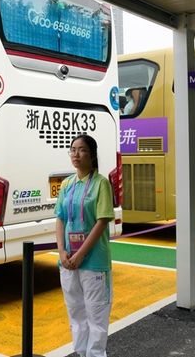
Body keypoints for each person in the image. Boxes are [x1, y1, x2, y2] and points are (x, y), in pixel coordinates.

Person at [55, 134, 114, 357]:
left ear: (92, 155)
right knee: (76, 312)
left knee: (96, 315)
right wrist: (62, 251)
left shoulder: (101, 184)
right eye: (72, 150)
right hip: (68, 260)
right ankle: (80, 352)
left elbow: (101, 222)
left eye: (81, 150)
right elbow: (60, 218)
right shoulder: (67, 184)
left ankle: (96, 354)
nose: (75, 154)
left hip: (93, 261)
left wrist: (80, 254)